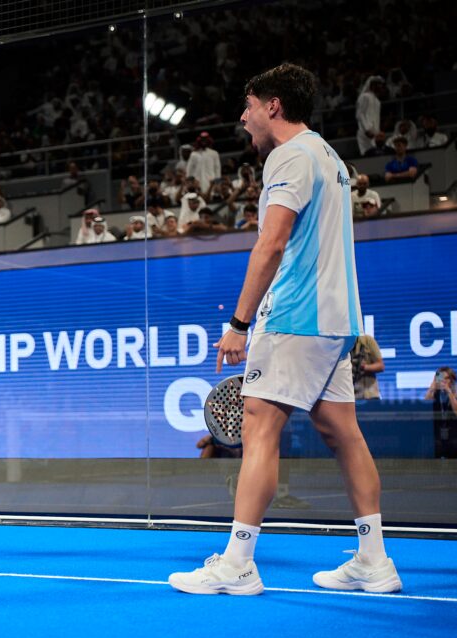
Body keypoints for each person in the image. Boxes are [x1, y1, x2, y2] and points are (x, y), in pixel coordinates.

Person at [169, 63, 401, 596]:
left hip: (295, 315)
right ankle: (374, 559)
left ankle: (237, 564)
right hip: (335, 320)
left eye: (248, 105)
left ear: (273, 105)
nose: (243, 116)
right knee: (343, 433)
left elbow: (271, 245)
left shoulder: (289, 156)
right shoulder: (329, 157)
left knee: (259, 428)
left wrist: (237, 323)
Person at [355, 75, 387, 156]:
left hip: (375, 134)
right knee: (367, 155)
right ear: (372, 85)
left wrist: (378, 132)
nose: (380, 87)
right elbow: (360, 114)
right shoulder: (365, 96)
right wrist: (367, 130)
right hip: (365, 133)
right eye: (378, 84)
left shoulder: (377, 100)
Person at [350, 335, 384, 400]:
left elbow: (381, 366)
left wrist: (364, 367)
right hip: (351, 397)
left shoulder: (367, 341)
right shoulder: (342, 345)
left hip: (370, 395)